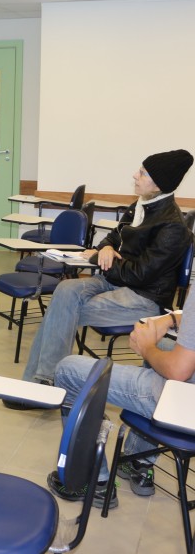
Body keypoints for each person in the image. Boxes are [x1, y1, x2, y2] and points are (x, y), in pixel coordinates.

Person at [11, 149, 193, 401]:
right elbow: (113, 236)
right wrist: (105, 247)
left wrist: (98, 258)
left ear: (158, 184)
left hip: (143, 297)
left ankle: (41, 385)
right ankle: (44, 383)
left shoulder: (172, 226)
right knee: (65, 291)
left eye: (142, 173)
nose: (135, 175)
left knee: (61, 310)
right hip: (114, 281)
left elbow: (140, 275)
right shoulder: (141, 205)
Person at [49, 285, 195, 508]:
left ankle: (93, 481)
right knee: (164, 346)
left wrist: (147, 347)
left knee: (66, 370)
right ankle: (138, 461)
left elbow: (178, 370)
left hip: (186, 401)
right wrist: (171, 320)